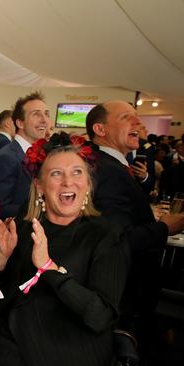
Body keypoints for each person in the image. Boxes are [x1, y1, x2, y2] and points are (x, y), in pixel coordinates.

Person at [0, 133, 130, 366]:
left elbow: (100, 316)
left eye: (77, 172)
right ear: (39, 187)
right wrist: (2, 256)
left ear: (88, 184)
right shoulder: (25, 226)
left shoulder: (107, 236)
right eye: (57, 174)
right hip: (5, 334)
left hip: (62, 347)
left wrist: (49, 268)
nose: (68, 182)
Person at [85, 101, 184, 352]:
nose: (138, 123)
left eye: (137, 118)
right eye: (127, 117)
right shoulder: (108, 170)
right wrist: (164, 228)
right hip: (123, 294)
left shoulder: (114, 165)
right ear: (100, 129)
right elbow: (117, 240)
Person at [0, 91, 51, 218]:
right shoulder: (6, 157)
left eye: (46, 114)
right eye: (36, 114)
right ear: (20, 123)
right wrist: (46, 207)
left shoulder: (45, 154)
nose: (44, 120)